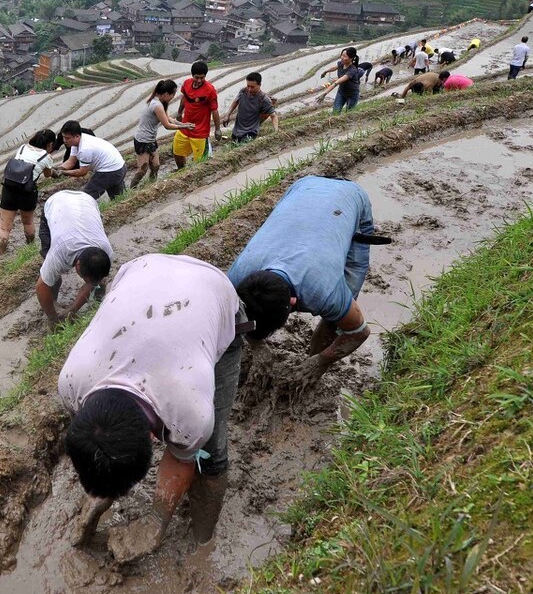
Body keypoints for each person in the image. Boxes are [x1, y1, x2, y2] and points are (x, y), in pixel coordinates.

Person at [60, 254, 243, 562]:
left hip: (213, 292)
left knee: (210, 453)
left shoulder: (189, 411)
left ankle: (203, 543)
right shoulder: (70, 383)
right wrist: (100, 486)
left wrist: (156, 522)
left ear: (153, 438)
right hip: (140, 271)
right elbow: (94, 437)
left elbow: (180, 458)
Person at [228, 175, 378, 386]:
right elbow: (234, 316)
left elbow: (358, 331)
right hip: (303, 187)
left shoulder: (324, 290)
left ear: (293, 303)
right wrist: (257, 345)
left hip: (348, 197)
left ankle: (314, 359)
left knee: (339, 312)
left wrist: (321, 361)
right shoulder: (235, 279)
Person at [35, 190, 113, 327]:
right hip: (56, 203)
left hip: (86, 202)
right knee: (51, 278)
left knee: (98, 284)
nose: (90, 282)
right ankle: (53, 300)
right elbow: (41, 286)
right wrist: (54, 319)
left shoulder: (106, 251)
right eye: (87, 280)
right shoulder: (60, 251)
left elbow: (93, 282)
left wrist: (72, 310)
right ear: (77, 266)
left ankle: (98, 299)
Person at [0, 129, 58, 255]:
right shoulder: (46, 157)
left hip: (10, 188)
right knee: (28, 222)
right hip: (28, 191)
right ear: (50, 144)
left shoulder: (23, 147)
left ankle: (0, 254)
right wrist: (55, 172)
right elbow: (47, 175)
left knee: (4, 228)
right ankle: (30, 249)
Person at [131, 80, 194, 187]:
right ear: (166, 94)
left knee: (156, 166)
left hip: (151, 140)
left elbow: (169, 119)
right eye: (173, 94)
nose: (173, 97)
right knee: (142, 170)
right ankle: (132, 190)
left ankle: (151, 186)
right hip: (143, 140)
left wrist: (184, 124)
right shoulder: (157, 105)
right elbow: (167, 125)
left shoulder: (159, 102)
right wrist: (183, 127)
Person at [57, 120, 126, 200]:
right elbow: (71, 162)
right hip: (119, 166)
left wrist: (63, 173)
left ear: (77, 136)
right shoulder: (77, 142)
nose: (64, 141)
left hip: (110, 171)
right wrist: (58, 169)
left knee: (85, 198)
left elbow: (82, 172)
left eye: (67, 138)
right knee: (119, 199)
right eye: (63, 137)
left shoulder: (85, 149)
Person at [172, 60, 222, 168]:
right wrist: (180, 112)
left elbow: (215, 110)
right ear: (192, 75)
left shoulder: (210, 90)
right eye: (197, 77)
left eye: (202, 78)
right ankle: (182, 171)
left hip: (200, 132)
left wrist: (217, 129)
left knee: (202, 163)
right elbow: (184, 97)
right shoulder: (186, 83)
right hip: (184, 127)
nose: (199, 80)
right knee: (177, 152)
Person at [222, 71, 278, 143]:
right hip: (237, 131)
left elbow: (273, 116)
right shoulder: (243, 91)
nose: (249, 89)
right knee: (234, 147)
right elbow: (236, 101)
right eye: (248, 86)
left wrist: (276, 132)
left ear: (259, 85)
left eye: (252, 87)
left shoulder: (264, 99)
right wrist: (227, 115)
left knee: (242, 151)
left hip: (250, 132)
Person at [316, 47, 362, 113]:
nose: (342, 57)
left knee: (349, 113)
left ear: (351, 58)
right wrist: (326, 71)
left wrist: (324, 93)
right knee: (335, 112)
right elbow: (334, 68)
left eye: (344, 56)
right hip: (341, 92)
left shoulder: (352, 70)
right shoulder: (341, 63)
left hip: (352, 94)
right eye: (342, 55)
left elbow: (336, 82)